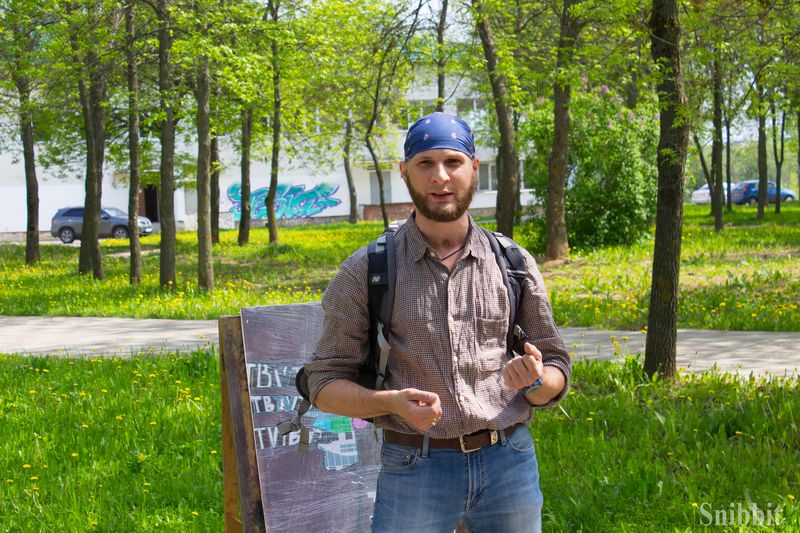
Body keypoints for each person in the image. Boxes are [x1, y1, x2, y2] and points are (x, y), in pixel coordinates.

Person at [304, 112, 571, 533]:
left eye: (452, 162)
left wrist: (536, 380)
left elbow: (557, 366)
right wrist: (389, 403)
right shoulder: (368, 270)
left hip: (510, 463)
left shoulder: (514, 264)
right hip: (415, 468)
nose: (440, 177)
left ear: (474, 168)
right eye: (425, 163)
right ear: (404, 172)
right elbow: (322, 384)